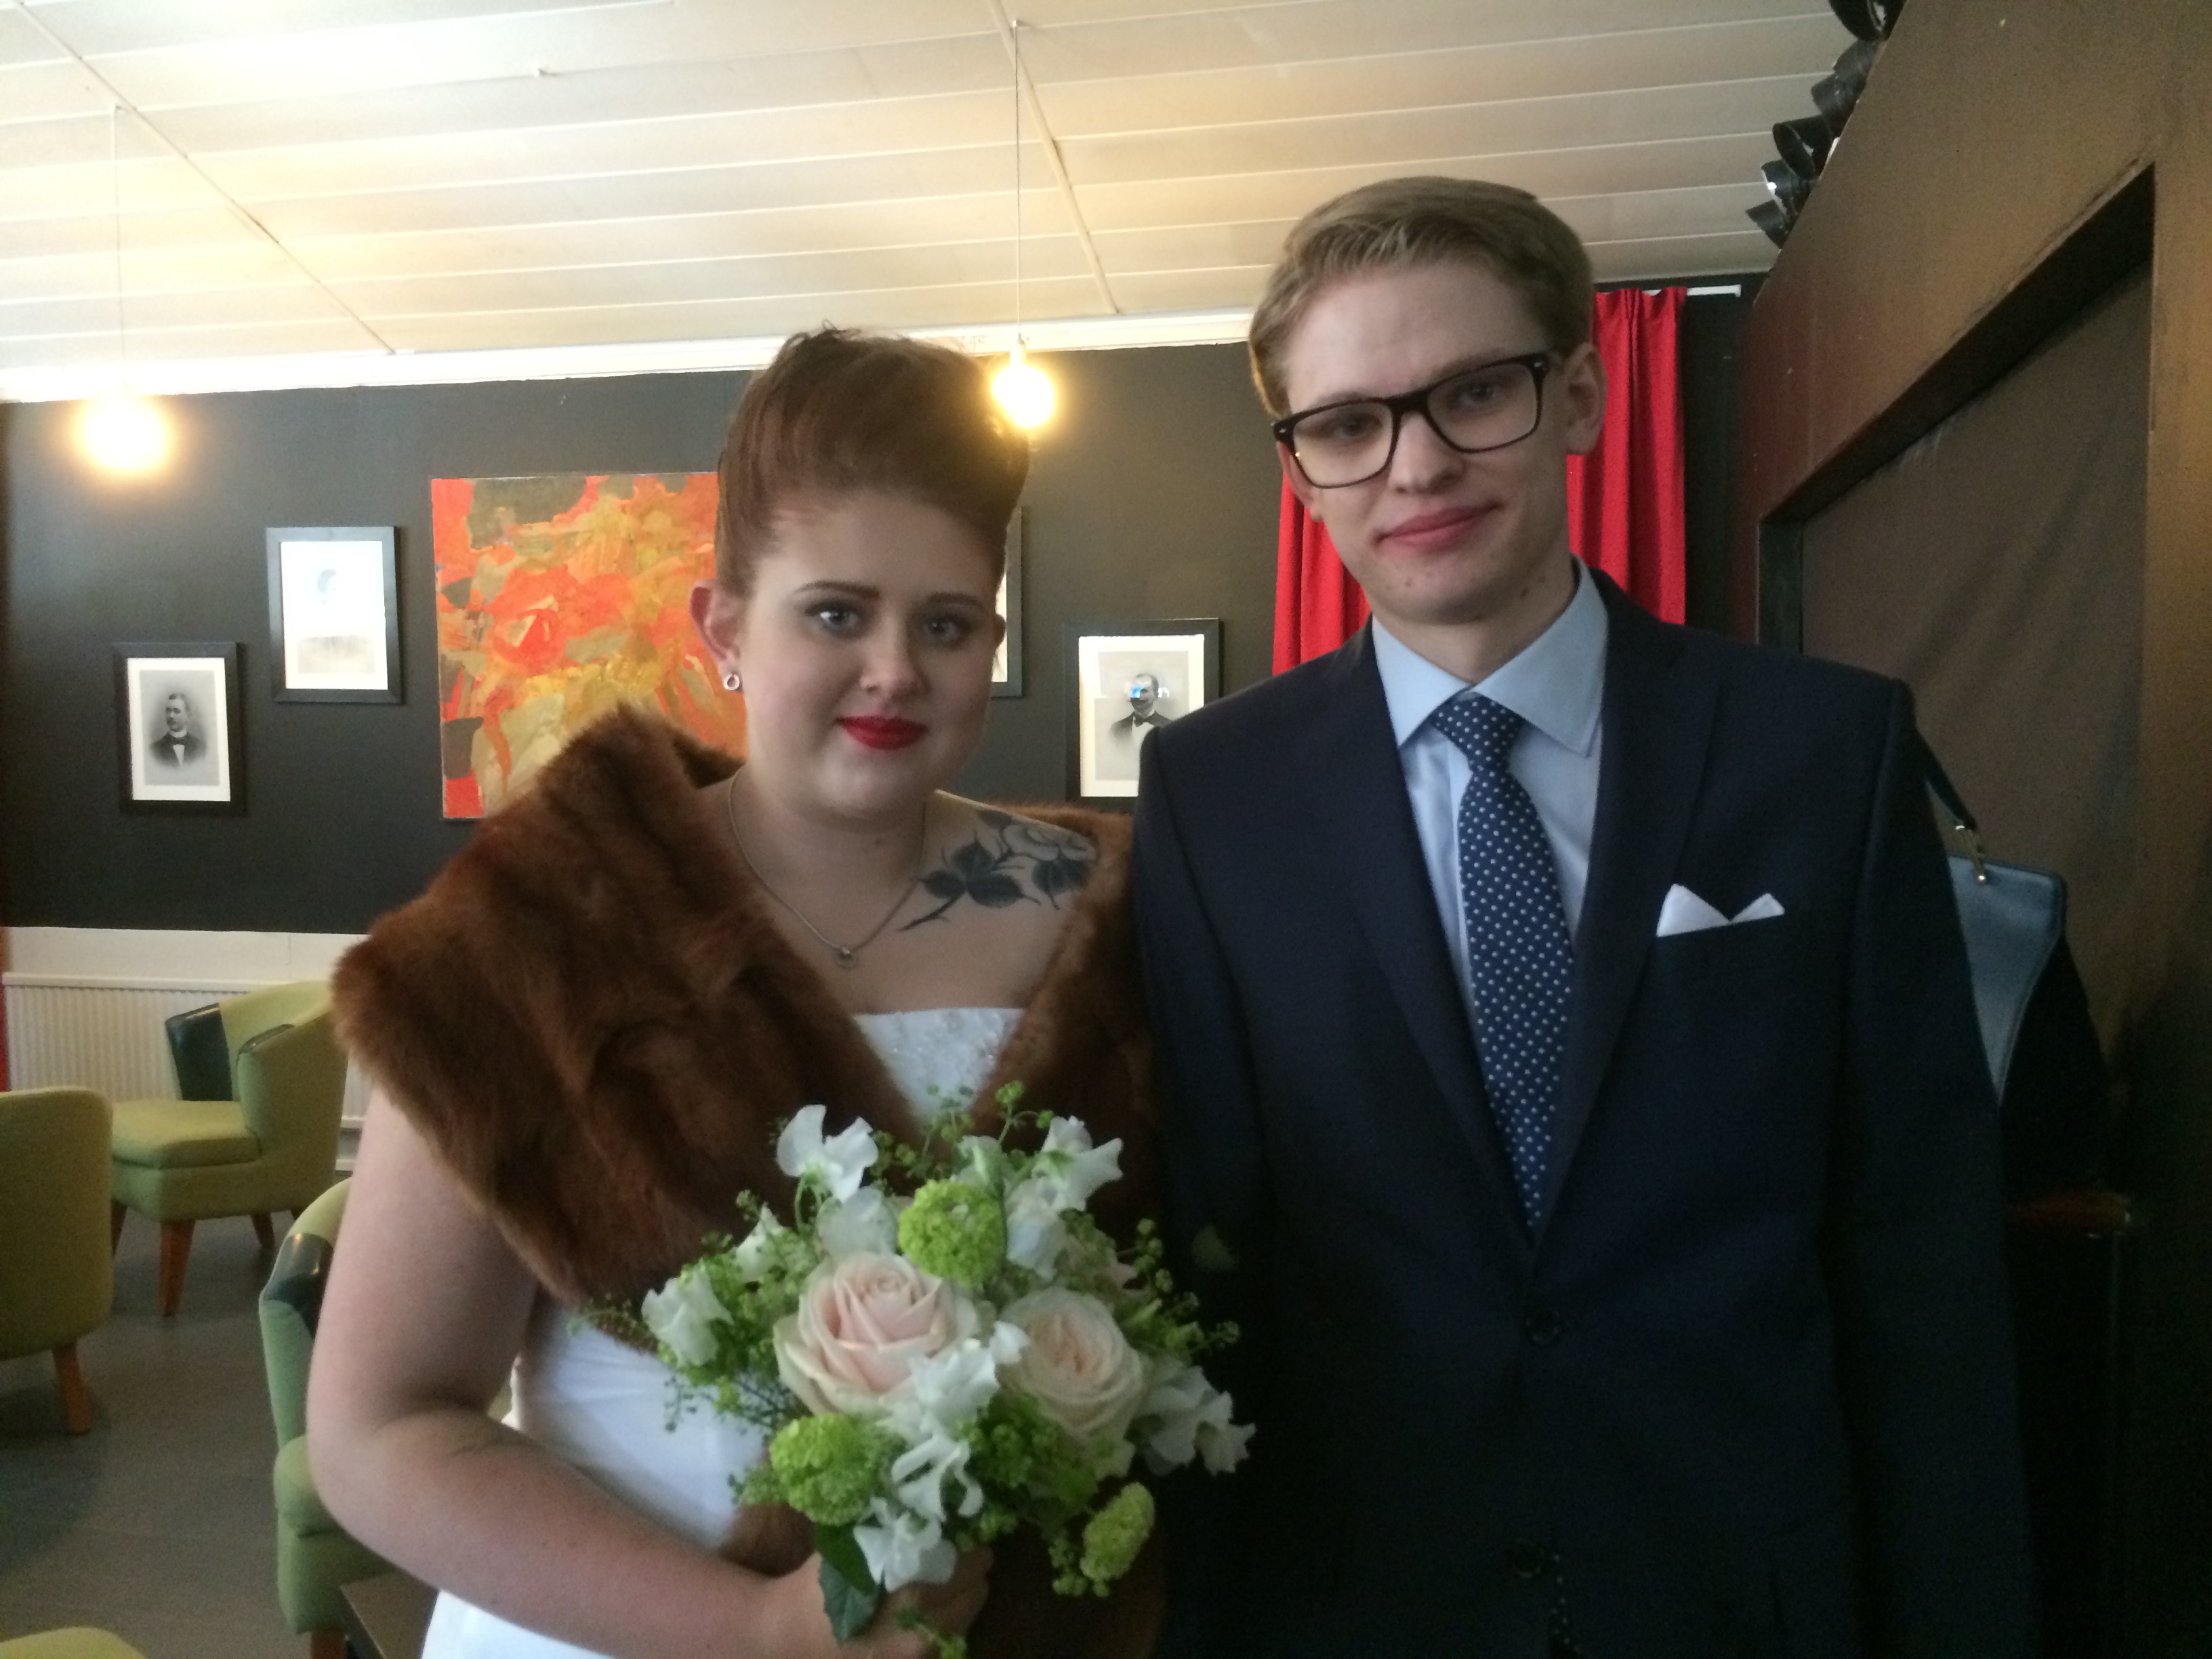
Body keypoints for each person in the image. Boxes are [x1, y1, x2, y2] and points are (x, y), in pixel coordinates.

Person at [1133, 178, 2033, 1657]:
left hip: (1743, 1596)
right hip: (1368, 1605)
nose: (1417, 463)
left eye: (1473, 391)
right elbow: (1217, 1259)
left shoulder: (1822, 751)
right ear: (1301, 473)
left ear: (1579, 398)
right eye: (1349, 424)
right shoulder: (1211, 795)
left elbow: (1919, 1258)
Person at [311, 329, 1164, 1659]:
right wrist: (758, 1629)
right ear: (721, 627)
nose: (894, 669)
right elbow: (379, 1428)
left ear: (992, 642)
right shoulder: (532, 936)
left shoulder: (1122, 918)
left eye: (944, 624)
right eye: (835, 613)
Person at [148, 689, 206, 767]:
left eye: (176, 711)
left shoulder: (201, 748)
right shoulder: (154, 750)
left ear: (188, 715)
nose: (171, 716)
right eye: (168, 711)